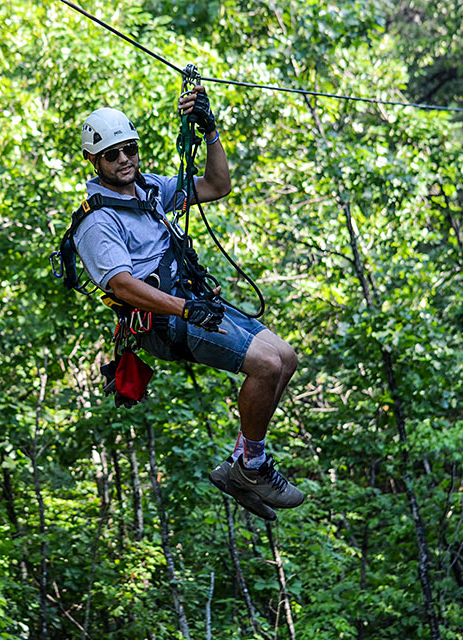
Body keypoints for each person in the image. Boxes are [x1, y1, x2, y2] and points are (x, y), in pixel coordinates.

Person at [73, 88, 304, 520]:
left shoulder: (151, 190)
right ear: (94, 161)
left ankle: (241, 465)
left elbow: (218, 185)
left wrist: (210, 130)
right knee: (266, 366)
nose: (124, 159)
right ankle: (252, 468)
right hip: (164, 321)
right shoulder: (96, 220)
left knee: (286, 358)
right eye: (112, 155)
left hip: (193, 301)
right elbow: (122, 285)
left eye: (129, 149)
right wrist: (182, 308)